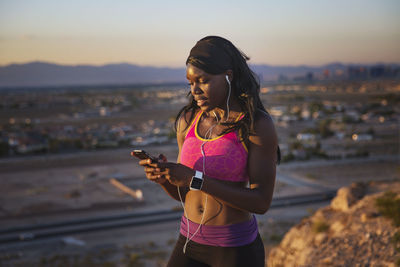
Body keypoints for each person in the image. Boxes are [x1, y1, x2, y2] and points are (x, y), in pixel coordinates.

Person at [139, 35, 280, 267]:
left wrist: (196, 180)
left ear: (228, 76)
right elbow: (185, 195)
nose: (195, 90)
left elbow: (261, 202)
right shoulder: (187, 121)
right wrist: (165, 179)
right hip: (189, 243)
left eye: (202, 81)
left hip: (235, 249)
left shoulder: (256, 125)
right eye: (190, 83)